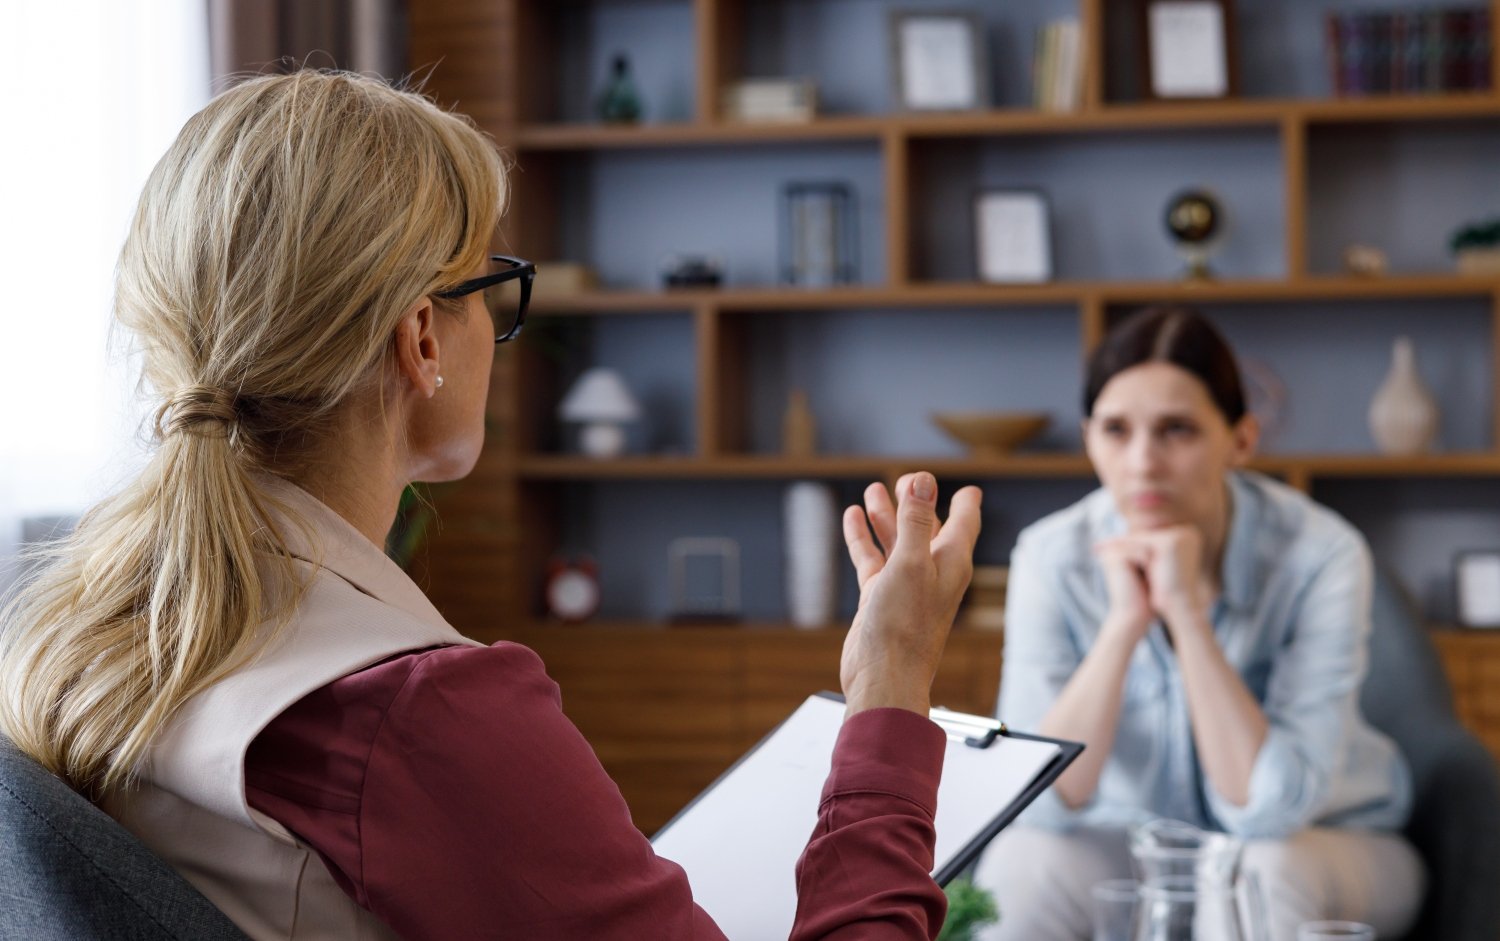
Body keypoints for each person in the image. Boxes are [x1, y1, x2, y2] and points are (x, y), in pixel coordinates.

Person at [0, 70, 983, 940]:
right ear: (422, 337)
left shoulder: (76, 636)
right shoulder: (411, 715)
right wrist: (890, 684)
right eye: (493, 286)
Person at [973, 307, 1423, 941]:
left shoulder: (1323, 553)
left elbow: (1268, 810)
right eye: (1116, 430)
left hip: (1327, 842)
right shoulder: (1052, 555)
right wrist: (1124, 624)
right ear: (1088, 438)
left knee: (1262, 873)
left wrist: (1186, 615)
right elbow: (1039, 805)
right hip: (1133, 844)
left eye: (1176, 430)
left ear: (1241, 439)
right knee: (1020, 865)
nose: (1142, 463)